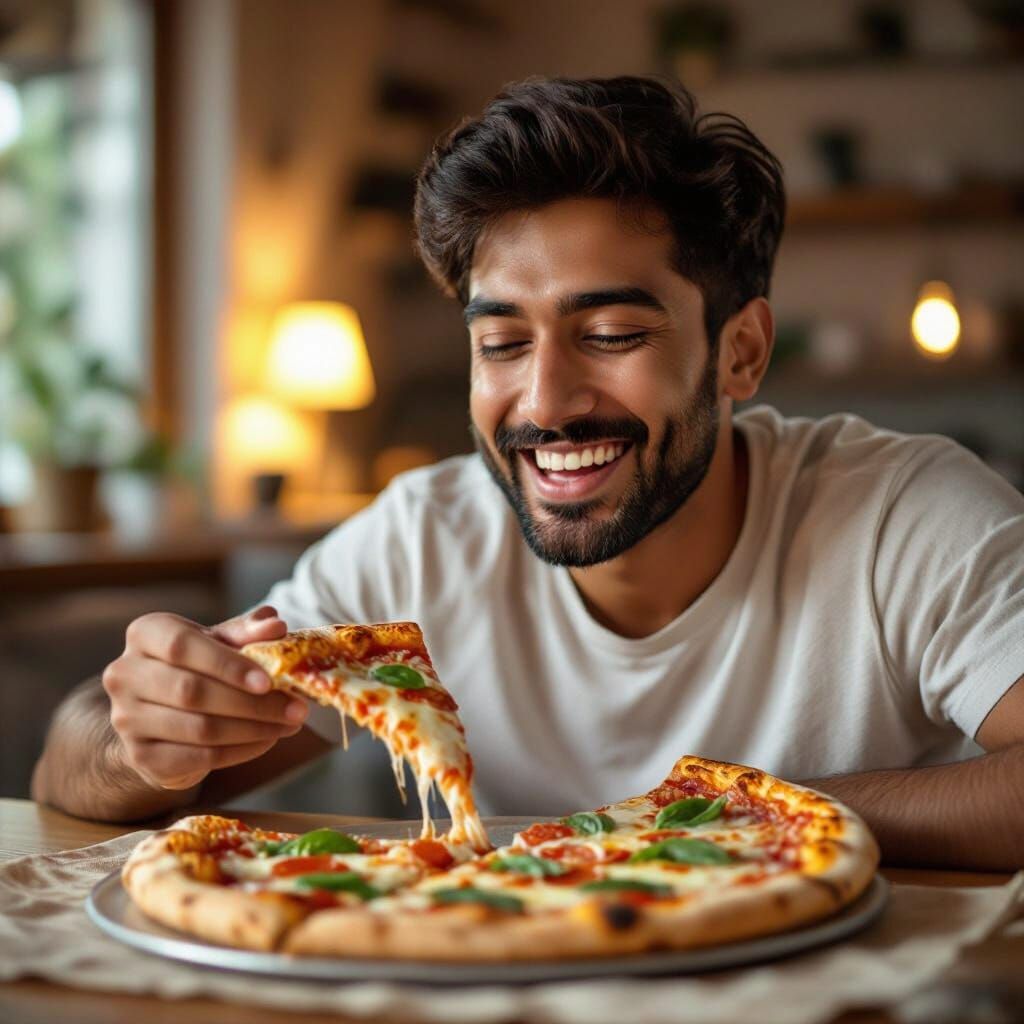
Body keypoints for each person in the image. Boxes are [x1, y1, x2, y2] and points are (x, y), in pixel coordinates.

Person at [32, 76, 1024, 869]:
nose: (545, 401)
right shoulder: (424, 538)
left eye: (610, 332)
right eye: (502, 342)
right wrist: (140, 730)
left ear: (739, 352)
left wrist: (765, 811)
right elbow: (70, 771)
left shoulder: (902, 512)